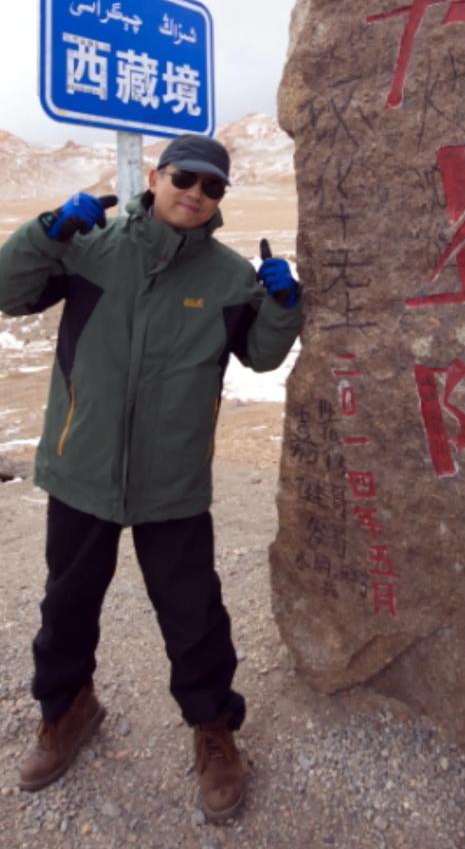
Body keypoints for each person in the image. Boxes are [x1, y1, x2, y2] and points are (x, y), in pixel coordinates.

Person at [0, 134, 301, 823]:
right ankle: (67, 710)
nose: (196, 193)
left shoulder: (229, 278)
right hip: (83, 468)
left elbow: (260, 356)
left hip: (173, 480)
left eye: (213, 186)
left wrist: (283, 307)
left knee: (193, 614)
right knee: (67, 605)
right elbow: (8, 293)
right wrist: (47, 232)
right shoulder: (89, 249)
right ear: (157, 177)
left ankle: (213, 729)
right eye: (185, 178)